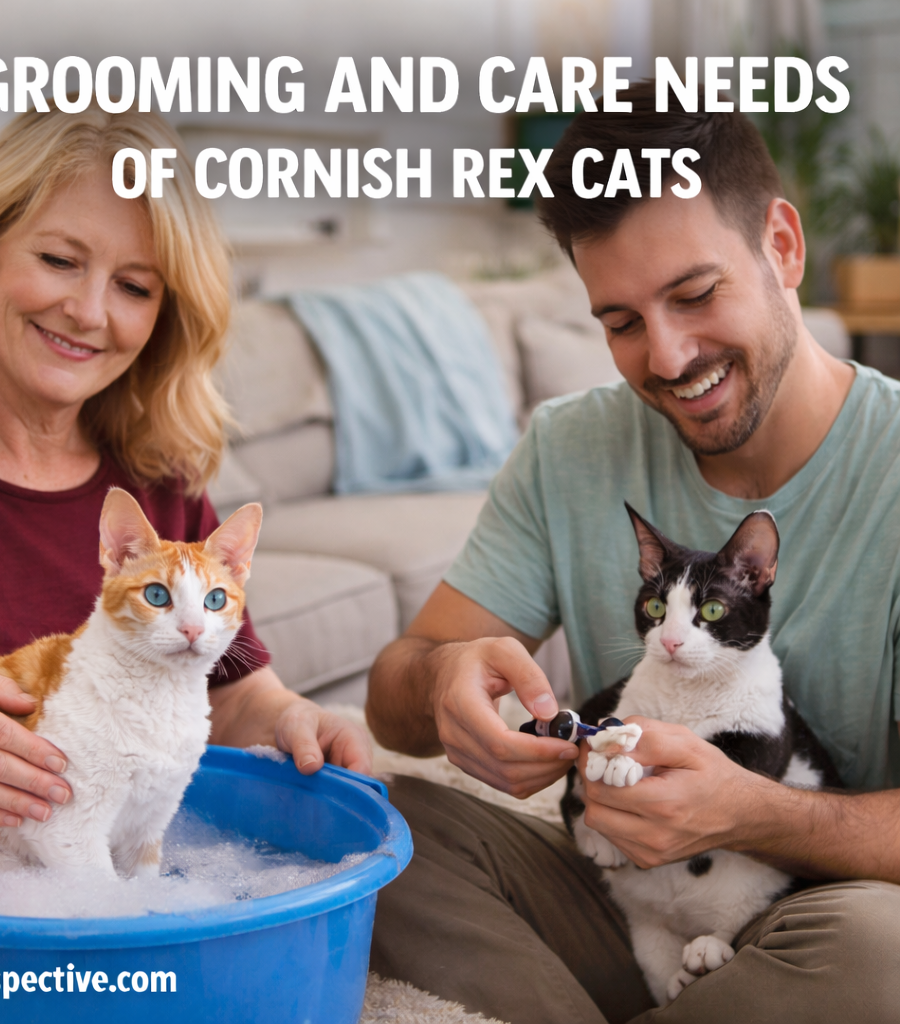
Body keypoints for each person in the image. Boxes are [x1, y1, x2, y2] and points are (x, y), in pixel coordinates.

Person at [366, 82, 900, 1024]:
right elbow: (391, 699)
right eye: (620, 322)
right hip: (623, 893)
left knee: (878, 954)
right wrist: (443, 682)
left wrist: (754, 812)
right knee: (375, 828)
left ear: (782, 246)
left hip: (812, 903)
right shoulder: (567, 445)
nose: (666, 357)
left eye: (695, 295)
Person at [0, 102, 370, 833]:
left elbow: (233, 693)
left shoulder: (158, 478)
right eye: (58, 260)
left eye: (134, 287)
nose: (88, 311)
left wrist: (295, 720)